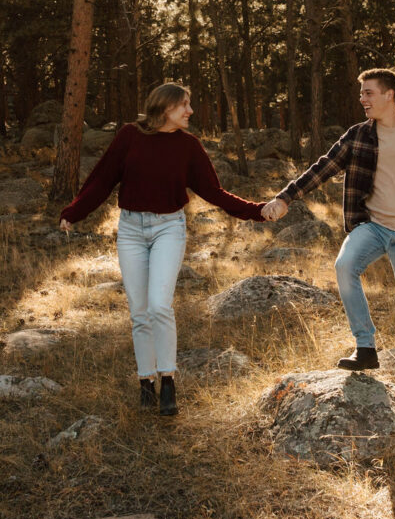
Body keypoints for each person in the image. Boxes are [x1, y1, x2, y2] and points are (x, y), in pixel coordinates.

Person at [59, 82, 270, 416]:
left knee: (159, 305)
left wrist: (257, 211)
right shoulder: (130, 135)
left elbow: (214, 192)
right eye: (184, 105)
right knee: (139, 311)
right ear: (165, 107)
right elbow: (102, 178)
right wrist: (74, 211)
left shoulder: (189, 146)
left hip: (168, 228)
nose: (190, 111)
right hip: (130, 230)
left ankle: (168, 379)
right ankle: (146, 382)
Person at [261, 68, 395, 394]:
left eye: (368, 93)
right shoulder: (359, 135)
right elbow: (322, 167)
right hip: (373, 225)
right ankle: (365, 347)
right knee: (344, 265)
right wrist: (285, 198)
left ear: (389, 95)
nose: (362, 99)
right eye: (361, 93)